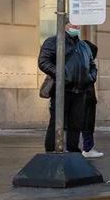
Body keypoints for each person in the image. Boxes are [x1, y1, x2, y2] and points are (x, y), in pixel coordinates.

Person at [38, 21, 97, 153]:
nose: (76, 27)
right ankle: (51, 150)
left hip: (80, 90)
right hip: (62, 89)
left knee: (76, 123)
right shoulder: (53, 41)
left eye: (78, 25)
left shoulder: (83, 46)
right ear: (64, 25)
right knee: (56, 121)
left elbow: (92, 65)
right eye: (72, 24)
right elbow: (43, 61)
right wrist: (61, 74)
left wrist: (90, 77)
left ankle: (73, 150)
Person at [80, 38, 103, 158]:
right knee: (87, 124)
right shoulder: (87, 65)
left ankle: (83, 148)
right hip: (86, 98)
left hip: (83, 97)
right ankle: (88, 148)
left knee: (77, 125)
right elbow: (90, 79)